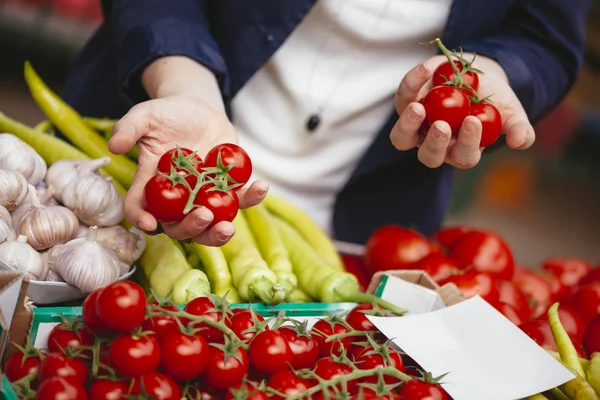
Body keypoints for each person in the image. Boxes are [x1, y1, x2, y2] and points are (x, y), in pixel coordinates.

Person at [63, 0, 591, 246]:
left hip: (365, 220)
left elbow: (545, 36)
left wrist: (499, 72)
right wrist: (183, 84)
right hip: (152, 144)